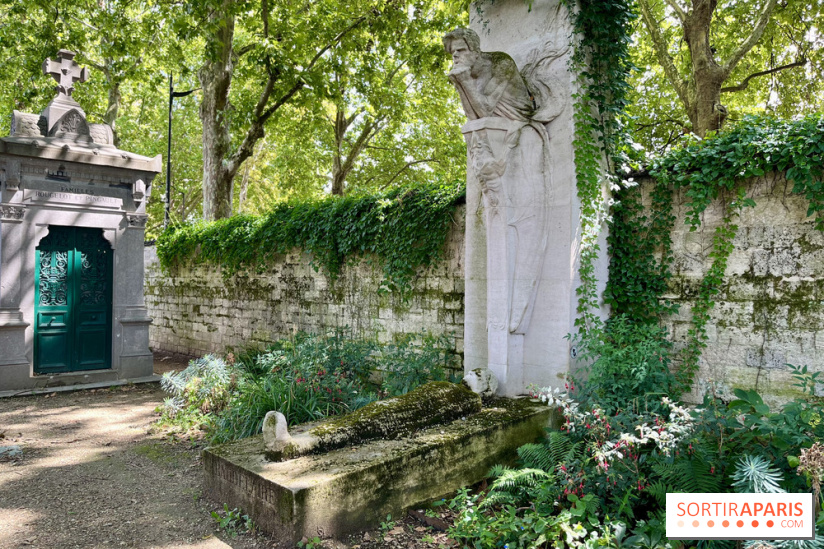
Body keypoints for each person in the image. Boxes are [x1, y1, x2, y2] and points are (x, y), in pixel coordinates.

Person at [443, 28, 536, 122]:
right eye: (452, 52)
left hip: (519, 116)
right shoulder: (465, 73)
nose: (455, 55)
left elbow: (485, 111)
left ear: (476, 52)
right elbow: (473, 117)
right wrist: (459, 83)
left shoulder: (501, 63)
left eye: (460, 50)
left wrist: (465, 81)